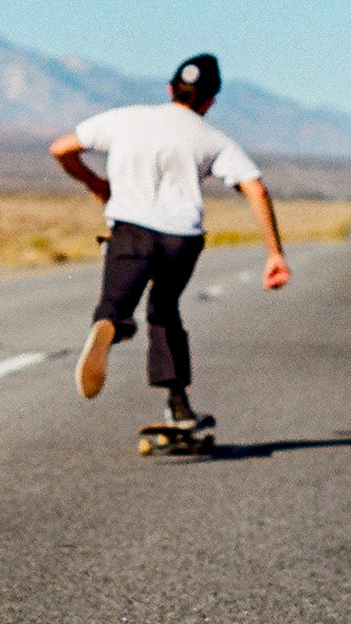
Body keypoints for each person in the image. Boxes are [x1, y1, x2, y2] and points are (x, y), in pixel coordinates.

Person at [49, 53, 290, 426]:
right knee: (164, 311)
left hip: (130, 231)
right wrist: (274, 254)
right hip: (182, 240)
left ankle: (111, 326)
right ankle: (178, 404)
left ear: (170, 89)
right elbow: (255, 189)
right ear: (210, 100)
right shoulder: (213, 139)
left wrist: (95, 183)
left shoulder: (125, 119)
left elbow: (61, 148)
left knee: (115, 305)